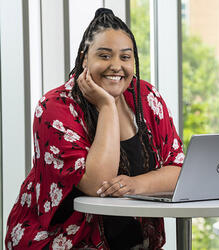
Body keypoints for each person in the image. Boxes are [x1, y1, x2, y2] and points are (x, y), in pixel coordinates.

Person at [5, 8, 184, 250]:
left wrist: (133, 184)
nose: (116, 66)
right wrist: (107, 107)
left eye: (125, 57)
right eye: (104, 55)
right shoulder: (54, 108)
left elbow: (179, 170)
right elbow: (98, 184)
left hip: (131, 242)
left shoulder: (146, 98)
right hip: (65, 241)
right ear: (84, 59)